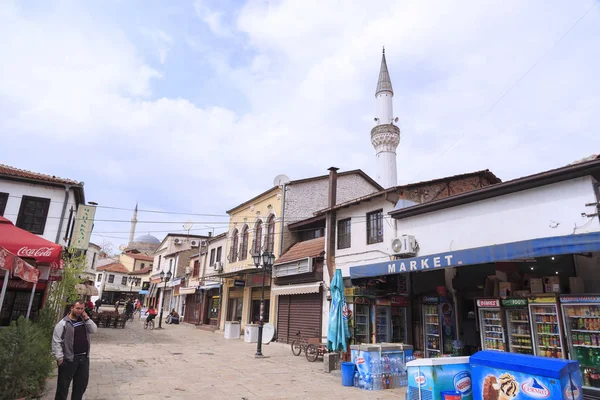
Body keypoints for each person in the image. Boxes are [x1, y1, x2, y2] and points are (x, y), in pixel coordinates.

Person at [52, 300, 97, 400]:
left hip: (84, 358)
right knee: (63, 388)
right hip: (69, 359)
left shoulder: (84, 321)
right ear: (71, 308)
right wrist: (59, 359)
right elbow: (56, 341)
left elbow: (93, 330)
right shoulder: (63, 323)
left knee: (80, 386)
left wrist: (87, 318)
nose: (80, 311)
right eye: (77, 308)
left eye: (82, 309)